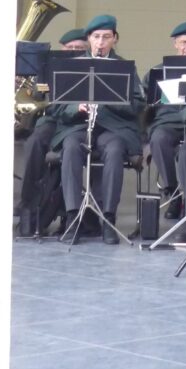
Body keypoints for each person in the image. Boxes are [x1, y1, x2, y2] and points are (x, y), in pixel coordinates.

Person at [50, 14, 144, 244]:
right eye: (96, 37)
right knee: (71, 147)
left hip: (114, 129)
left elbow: (137, 106)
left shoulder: (125, 68)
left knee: (114, 150)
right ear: (89, 39)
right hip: (80, 127)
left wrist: (110, 98)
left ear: (115, 39)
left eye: (106, 37)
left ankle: (109, 219)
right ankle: (73, 216)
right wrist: (78, 107)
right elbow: (58, 108)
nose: (101, 42)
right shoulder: (73, 67)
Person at [16, 28, 88, 237]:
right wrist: (42, 88)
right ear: (62, 48)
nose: (74, 51)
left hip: (77, 122)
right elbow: (36, 94)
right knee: (34, 143)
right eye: (70, 48)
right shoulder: (50, 64)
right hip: (53, 118)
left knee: (69, 152)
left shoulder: (90, 65)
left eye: (79, 49)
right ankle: (28, 208)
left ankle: (67, 212)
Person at [143, 21, 186, 223]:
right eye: (184, 43)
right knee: (159, 139)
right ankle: (173, 193)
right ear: (175, 44)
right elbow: (146, 99)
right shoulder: (159, 71)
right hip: (168, 121)